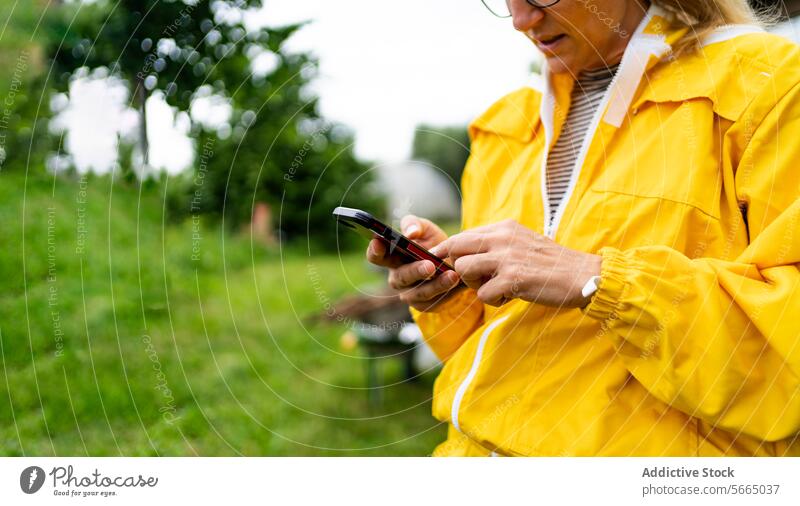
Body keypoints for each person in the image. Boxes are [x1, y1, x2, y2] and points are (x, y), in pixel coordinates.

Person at [367, 0, 800, 456]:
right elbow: (492, 343)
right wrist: (449, 290)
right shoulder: (505, 128)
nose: (521, 21)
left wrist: (595, 281)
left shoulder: (771, 86)